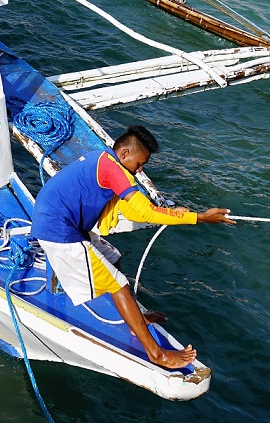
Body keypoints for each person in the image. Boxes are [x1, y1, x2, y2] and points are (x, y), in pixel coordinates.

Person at [32, 125, 233, 370]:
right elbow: (144, 211)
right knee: (118, 284)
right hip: (59, 230)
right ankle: (156, 354)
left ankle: (135, 321)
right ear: (125, 153)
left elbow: (131, 208)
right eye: (139, 164)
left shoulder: (104, 158)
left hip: (65, 223)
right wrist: (200, 217)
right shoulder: (115, 170)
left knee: (112, 256)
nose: (140, 171)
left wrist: (177, 213)